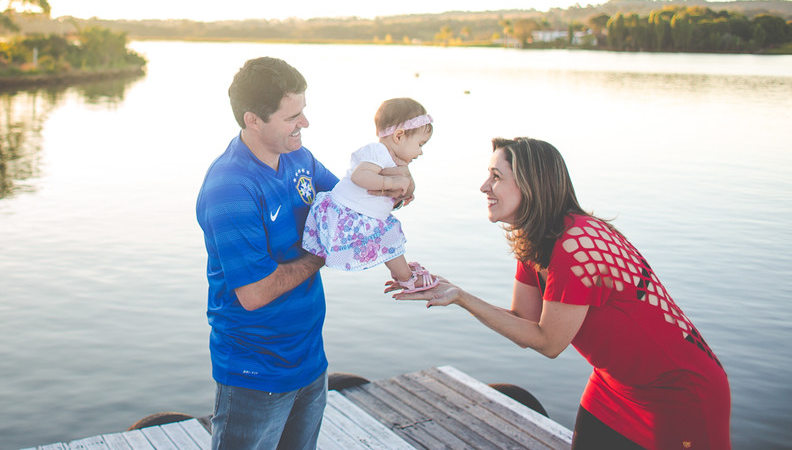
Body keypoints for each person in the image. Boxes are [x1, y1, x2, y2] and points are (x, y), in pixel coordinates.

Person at [391, 137, 731, 450]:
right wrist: (452, 292)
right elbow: (525, 324)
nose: (484, 187)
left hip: (679, 394)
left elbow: (548, 343)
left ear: (531, 183)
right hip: (614, 387)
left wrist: (462, 298)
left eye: (496, 176)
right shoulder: (538, 241)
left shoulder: (575, 245)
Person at [196, 57, 411, 450]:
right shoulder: (230, 187)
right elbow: (255, 292)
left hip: (310, 360)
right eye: (293, 116)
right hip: (255, 372)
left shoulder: (300, 159)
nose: (305, 124)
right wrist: (323, 252)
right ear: (253, 120)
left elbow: (349, 205)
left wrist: (396, 181)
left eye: (304, 112)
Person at [302, 97, 438, 292]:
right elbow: (360, 175)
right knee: (388, 235)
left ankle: (404, 276)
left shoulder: (393, 159)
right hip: (348, 213)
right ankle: (407, 279)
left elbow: (400, 185)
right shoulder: (378, 151)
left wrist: (403, 192)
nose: (421, 152)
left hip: (360, 213)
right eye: (420, 144)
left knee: (388, 236)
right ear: (399, 136)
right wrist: (389, 183)